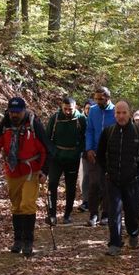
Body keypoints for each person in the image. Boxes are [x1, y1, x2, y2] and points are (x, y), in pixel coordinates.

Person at [0, 97, 52, 256]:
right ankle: (18, 240)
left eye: (17, 112)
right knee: (16, 205)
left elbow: (47, 149)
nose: (14, 115)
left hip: (32, 170)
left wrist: (44, 171)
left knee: (27, 204)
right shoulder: (5, 124)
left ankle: (28, 242)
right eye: (12, 112)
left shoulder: (34, 124)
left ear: (24, 111)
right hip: (13, 170)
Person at [97, 101, 139, 256]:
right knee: (114, 211)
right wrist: (107, 171)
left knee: (132, 211)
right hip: (113, 180)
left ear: (129, 113)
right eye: (118, 113)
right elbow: (100, 155)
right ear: (114, 114)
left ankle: (133, 232)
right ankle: (115, 243)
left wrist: (138, 172)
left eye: (124, 113)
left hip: (132, 180)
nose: (121, 116)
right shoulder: (108, 132)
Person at [45, 96, 86, 225]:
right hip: (56, 158)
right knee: (52, 185)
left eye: (70, 109)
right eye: (65, 109)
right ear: (62, 107)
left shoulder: (81, 119)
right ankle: (52, 215)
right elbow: (47, 137)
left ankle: (67, 215)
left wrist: (78, 151)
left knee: (70, 187)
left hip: (72, 158)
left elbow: (86, 137)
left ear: (75, 108)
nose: (68, 112)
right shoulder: (55, 118)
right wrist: (53, 152)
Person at [85, 87, 116, 227]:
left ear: (107, 98)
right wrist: (89, 148)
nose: (97, 101)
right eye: (96, 98)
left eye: (100, 99)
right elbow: (89, 130)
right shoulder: (93, 110)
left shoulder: (115, 111)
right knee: (94, 183)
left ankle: (106, 214)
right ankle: (93, 214)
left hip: (111, 154)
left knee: (108, 184)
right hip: (95, 153)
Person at [78, 100, 93, 213]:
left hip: (97, 151)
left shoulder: (97, 119)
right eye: (87, 108)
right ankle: (86, 201)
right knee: (85, 176)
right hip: (84, 152)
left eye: (91, 108)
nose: (88, 110)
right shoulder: (80, 120)